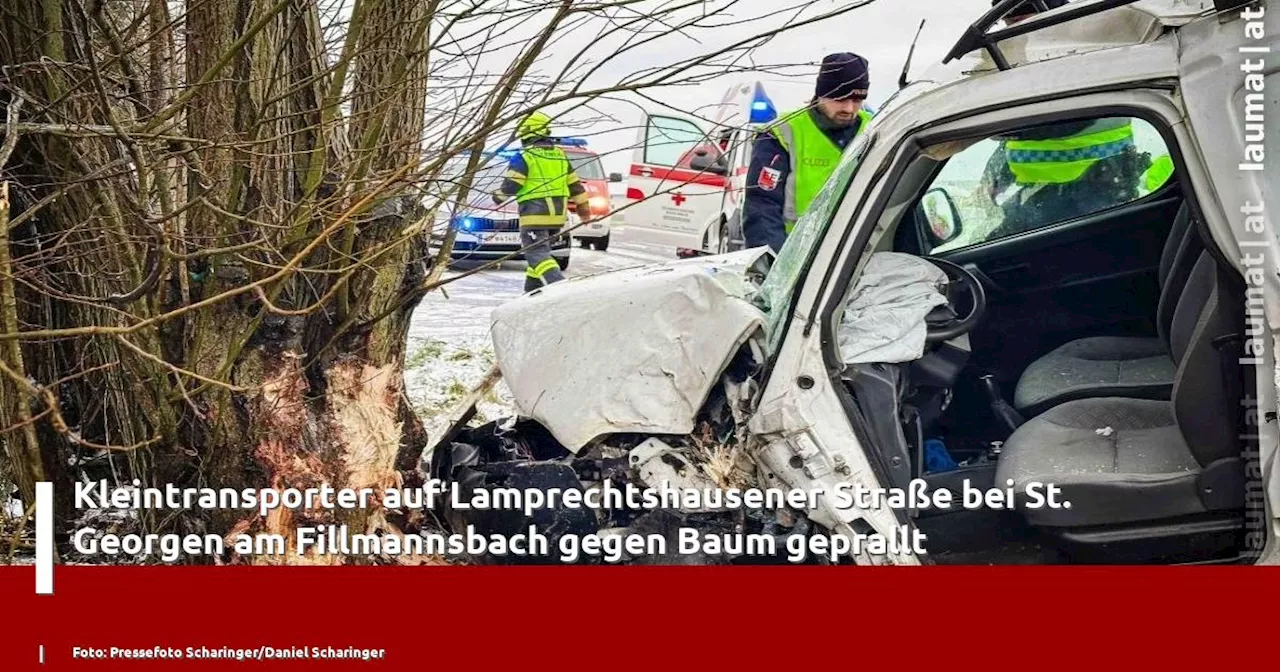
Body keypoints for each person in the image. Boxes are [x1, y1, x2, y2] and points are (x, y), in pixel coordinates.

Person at [979, 0, 1150, 236]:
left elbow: (1055, 119)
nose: (1013, 33)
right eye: (1007, 24)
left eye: (1017, 23)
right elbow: (1021, 134)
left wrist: (993, 125)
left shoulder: (1082, 54)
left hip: (1097, 190)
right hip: (1045, 196)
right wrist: (998, 172)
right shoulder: (1035, 65)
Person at [743, 53, 873, 253]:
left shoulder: (874, 129)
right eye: (840, 98)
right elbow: (762, 207)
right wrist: (774, 267)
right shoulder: (782, 133)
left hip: (855, 255)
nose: (849, 108)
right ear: (821, 93)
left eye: (857, 100)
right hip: (795, 256)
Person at [492, 111, 595, 292]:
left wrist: (497, 197)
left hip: (534, 216)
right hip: (556, 217)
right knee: (540, 257)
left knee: (536, 255)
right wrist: (584, 211)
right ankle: (531, 294)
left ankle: (559, 287)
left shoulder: (525, 156)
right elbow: (575, 186)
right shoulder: (560, 156)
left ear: (526, 132)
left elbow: (512, 184)